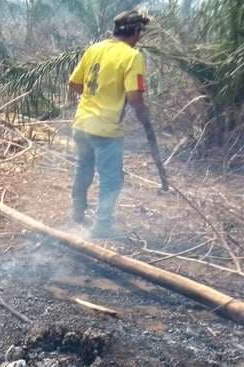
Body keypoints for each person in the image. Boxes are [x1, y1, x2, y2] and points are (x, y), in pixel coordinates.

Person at [67, 9, 168, 238]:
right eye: (140, 32)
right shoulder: (132, 57)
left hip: (82, 123)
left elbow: (74, 83)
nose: (140, 37)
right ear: (135, 32)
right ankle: (102, 227)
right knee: (111, 179)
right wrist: (144, 114)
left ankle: (77, 212)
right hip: (106, 130)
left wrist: (92, 99)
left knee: (83, 168)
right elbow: (134, 98)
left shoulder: (94, 49)